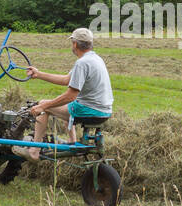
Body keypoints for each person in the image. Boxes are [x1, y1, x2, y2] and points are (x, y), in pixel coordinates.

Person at [16, 27, 113, 162]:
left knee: (44, 104)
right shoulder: (95, 59)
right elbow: (67, 80)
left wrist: (43, 107)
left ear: (75, 44)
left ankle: (34, 151)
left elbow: (70, 96)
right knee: (66, 104)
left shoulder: (82, 63)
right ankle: (72, 142)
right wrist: (38, 74)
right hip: (105, 111)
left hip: (89, 110)